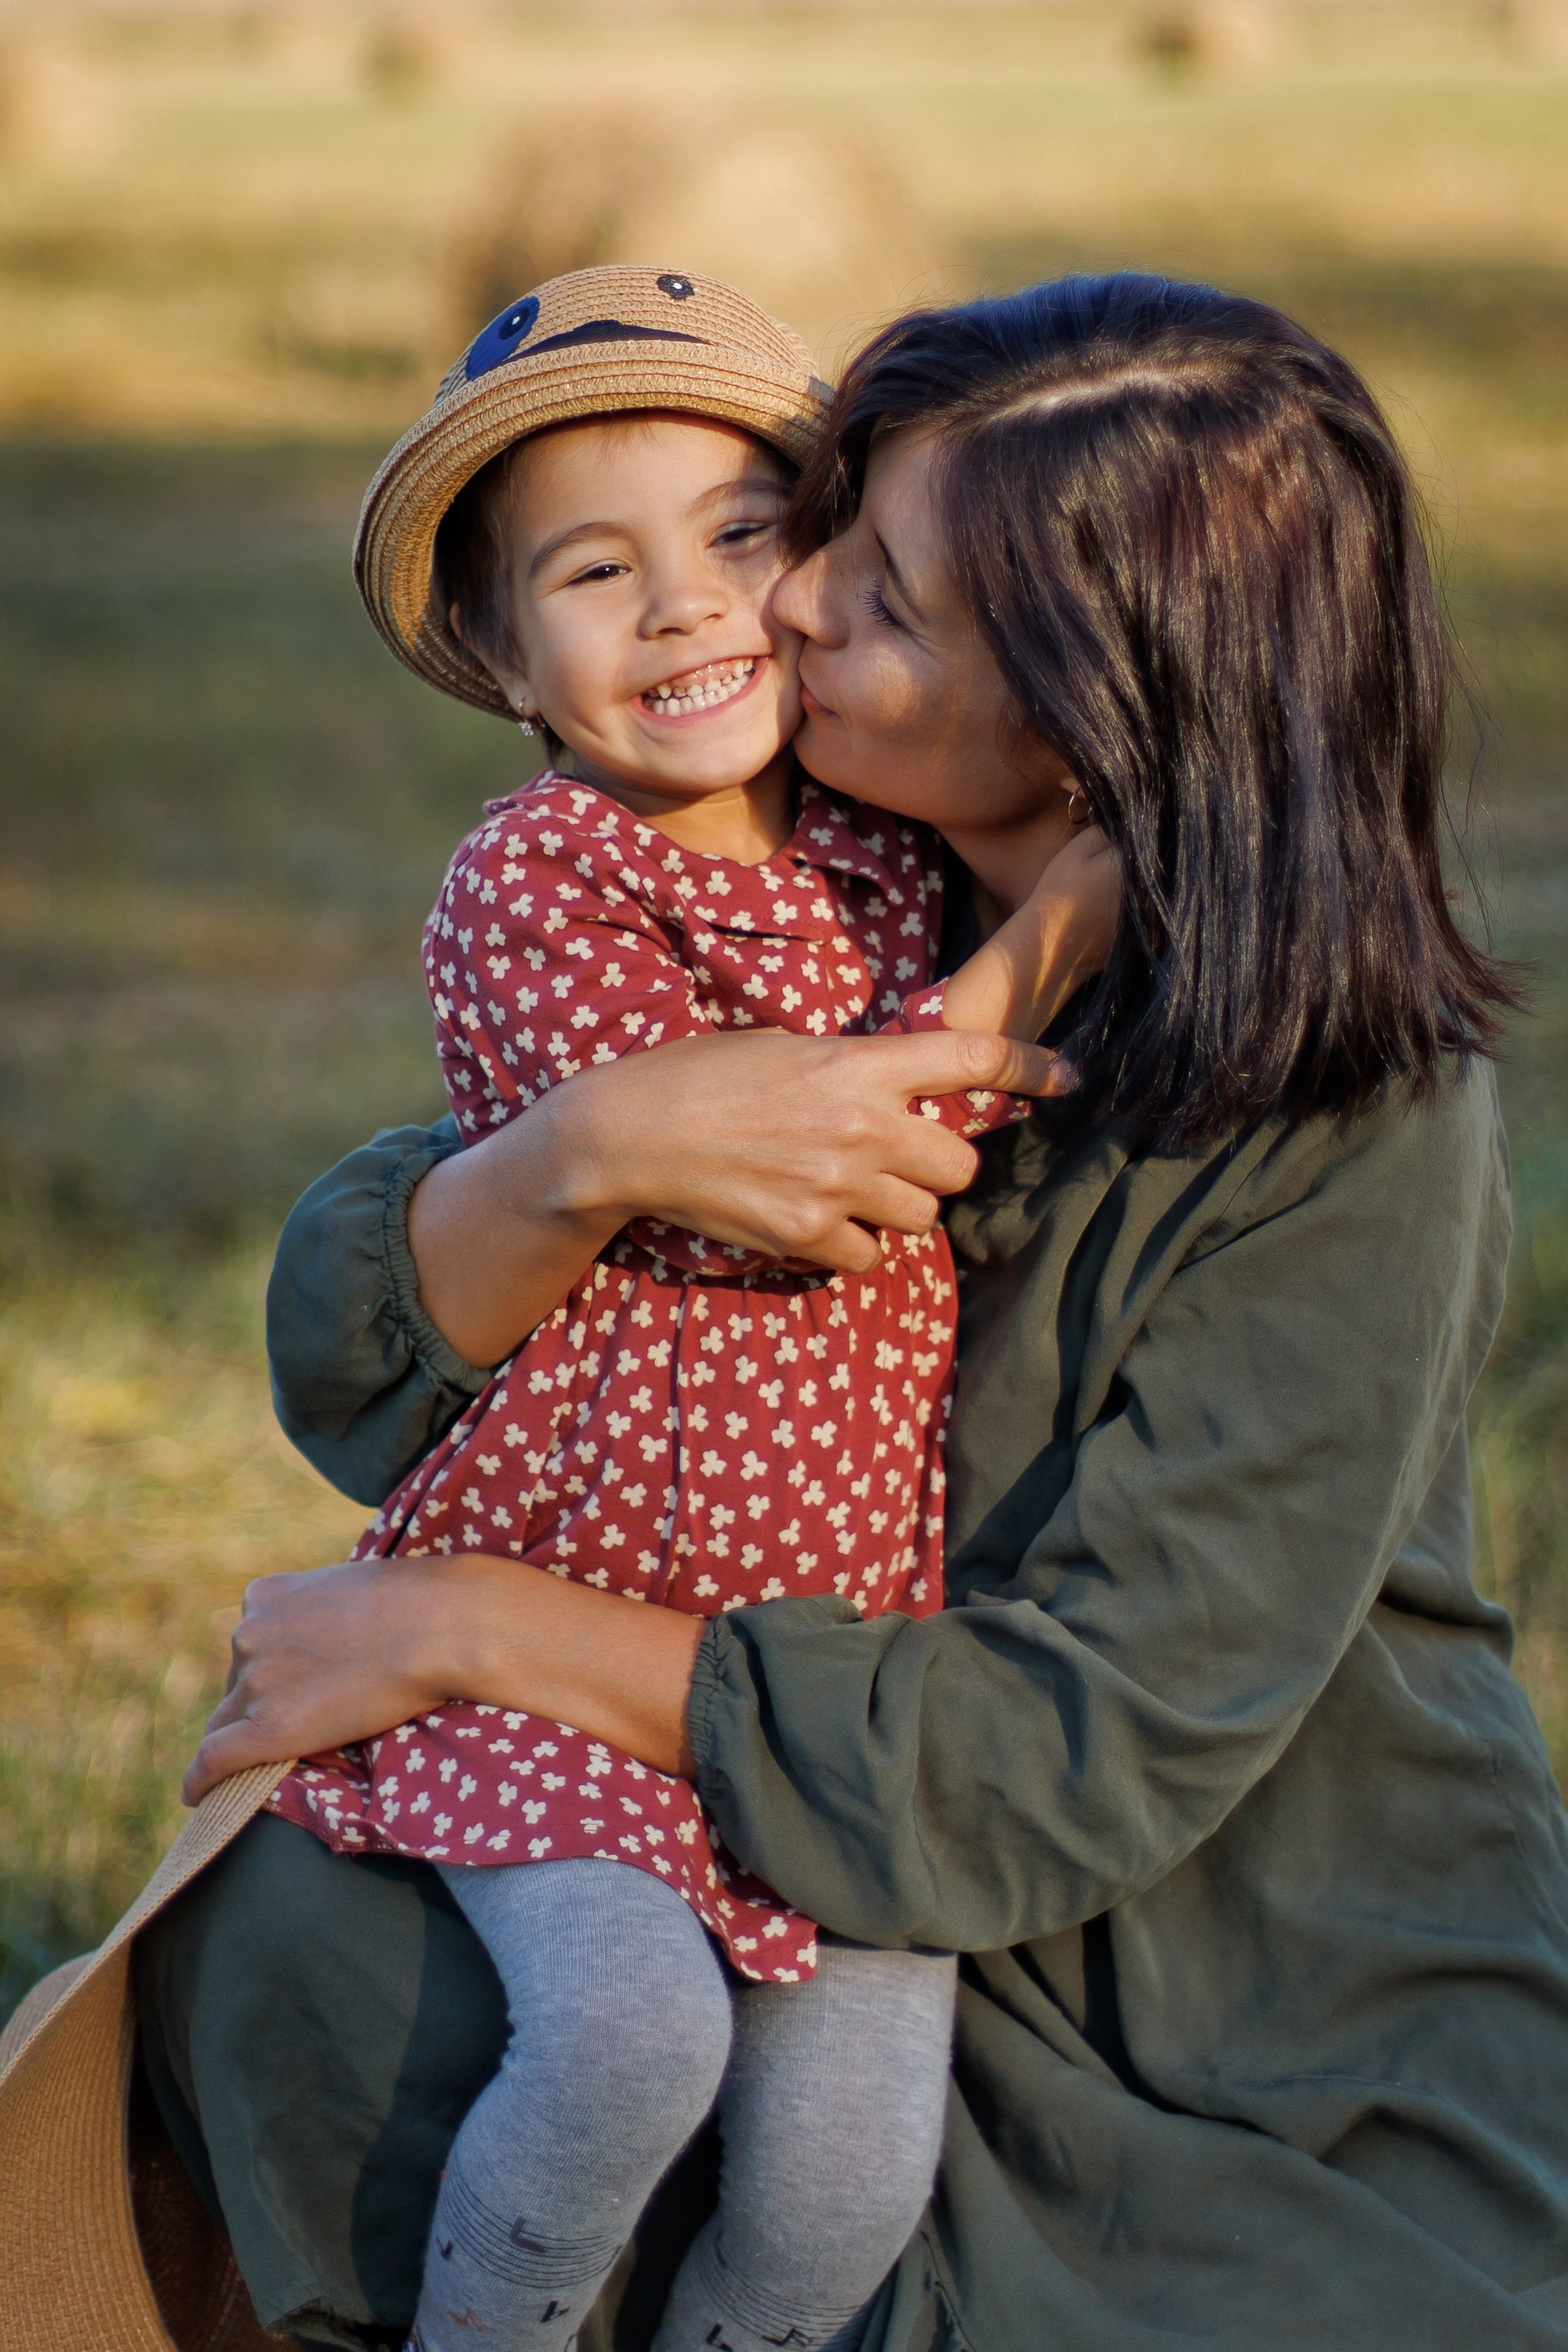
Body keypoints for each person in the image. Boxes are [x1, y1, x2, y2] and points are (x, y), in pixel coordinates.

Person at [140, 273, 1568, 2352]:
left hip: (1212, 2004)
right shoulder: (810, 875)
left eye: (878, 595)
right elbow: (378, 1368)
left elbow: (1068, 1756)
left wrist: (466, 1623)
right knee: (295, 1944)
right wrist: (578, 1152)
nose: (787, 609)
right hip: (777, 1840)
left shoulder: (1354, 1116)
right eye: (832, 526)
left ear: (1100, 707)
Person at [262, 261, 1117, 2352]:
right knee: (626, 2045)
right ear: (498, 652)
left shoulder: (878, 848)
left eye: (742, 537)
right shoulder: (541, 879)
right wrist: (1066, 928)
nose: (683, 611)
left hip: (835, 1649)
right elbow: (808, 1191)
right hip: (571, 1612)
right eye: (592, 571)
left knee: (847, 2169)